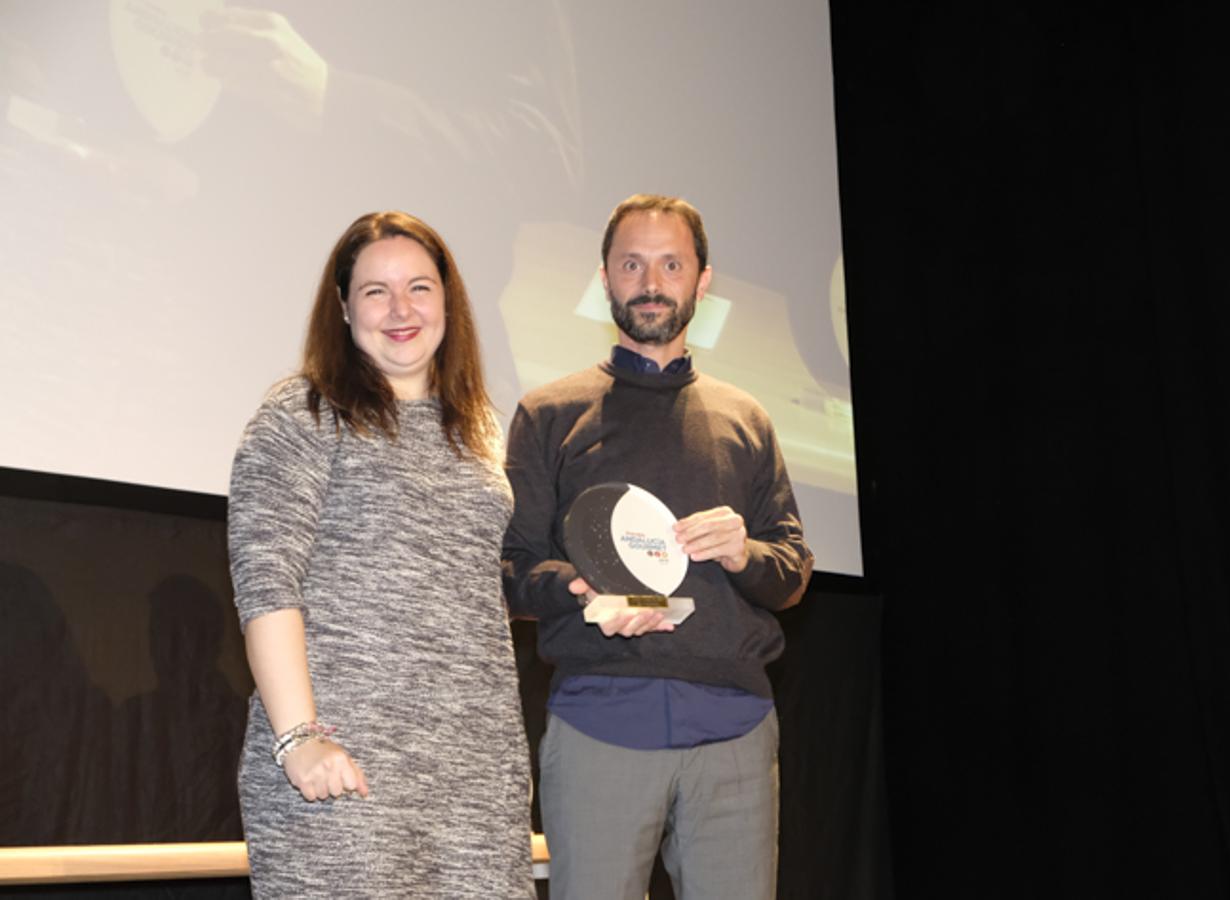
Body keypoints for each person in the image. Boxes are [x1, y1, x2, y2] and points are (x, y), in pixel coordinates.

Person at [502, 194, 813, 900]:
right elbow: (510, 569)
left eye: (671, 264)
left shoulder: (747, 419)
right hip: (598, 720)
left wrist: (743, 555)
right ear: (605, 278)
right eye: (631, 264)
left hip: (734, 729)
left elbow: (790, 572)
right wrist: (583, 592)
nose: (650, 282)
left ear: (702, 281)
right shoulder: (549, 413)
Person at [228, 211, 535, 898]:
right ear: (342, 308)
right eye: (375, 291)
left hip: (474, 781)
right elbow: (266, 580)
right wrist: (298, 738)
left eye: (419, 288)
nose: (401, 309)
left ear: (447, 302)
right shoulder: (302, 412)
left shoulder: (479, 431)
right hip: (344, 770)